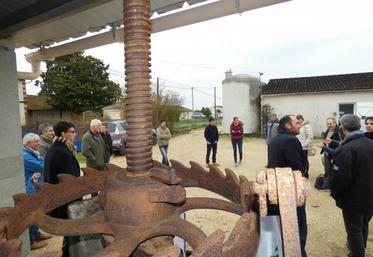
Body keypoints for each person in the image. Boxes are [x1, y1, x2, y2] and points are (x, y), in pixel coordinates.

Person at [330, 114, 373, 257]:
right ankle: (361, 248)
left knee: (354, 230)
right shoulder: (370, 143)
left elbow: (341, 178)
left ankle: (357, 254)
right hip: (369, 196)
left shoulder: (347, 148)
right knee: (363, 225)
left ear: (343, 128)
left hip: (353, 199)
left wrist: (335, 193)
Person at [267, 115, 308, 257]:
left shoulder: (274, 140)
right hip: (291, 191)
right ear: (288, 126)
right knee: (297, 228)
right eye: (296, 123)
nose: (299, 125)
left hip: (278, 189)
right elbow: (297, 168)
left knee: (282, 226)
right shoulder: (291, 140)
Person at [44, 121, 80, 257]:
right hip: (65, 200)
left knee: (68, 232)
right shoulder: (62, 152)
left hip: (59, 199)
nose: (75, 134)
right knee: (70, 230)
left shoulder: (56, 149)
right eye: (72, 131)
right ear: (63, 134)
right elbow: (70, 182)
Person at [22, 133, 52, 250]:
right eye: (36, 142)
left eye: (38, 141)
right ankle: (31, 241)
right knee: (30, 214)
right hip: (30, 189)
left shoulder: (33, 153)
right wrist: (44, 160)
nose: (39, 143)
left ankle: (37, 234)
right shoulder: (25, 155)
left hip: (35, 187)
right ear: (28, 143)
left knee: (36, 213)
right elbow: (42, 166)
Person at [320, 117, 340, 190]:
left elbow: (340, 144)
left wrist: (333, 156)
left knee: (334, 170)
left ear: (335, 123)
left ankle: (330, 186)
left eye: (330, 123)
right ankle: (326, 186)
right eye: (327, 124)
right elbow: (326, 140)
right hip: (327, 153)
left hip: (334, 153)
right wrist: (324, 145)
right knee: (327, 170)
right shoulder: (328, 130)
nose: (329, 125)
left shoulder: (339, 131)